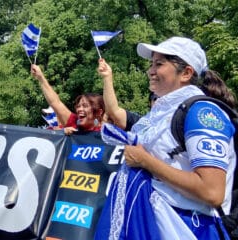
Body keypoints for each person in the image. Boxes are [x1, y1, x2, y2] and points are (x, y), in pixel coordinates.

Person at [95, 36, 236, 239]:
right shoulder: (160, 113)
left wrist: (146, 161)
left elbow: (212, 192)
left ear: (186, 73)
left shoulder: (203, 113)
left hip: (185, 228)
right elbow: (116, 115)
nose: (150, 71)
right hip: (152, 223)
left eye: (159, 64)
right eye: (151, 64)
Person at [31, 64, 105, 135]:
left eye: (85, 106)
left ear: (98, 112)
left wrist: (107, 77)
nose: (79, 109)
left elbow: (114, 110)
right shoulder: (73, 123)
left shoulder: (106, 134)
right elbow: (55, 102)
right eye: (78, 106)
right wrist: (40, 77)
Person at [98, 58, 156, 131]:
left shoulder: (174, 125)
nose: (159, 101)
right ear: (150, 103)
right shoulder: (142, 125)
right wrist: (107, 77)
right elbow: (113, 111)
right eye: (155, 98)